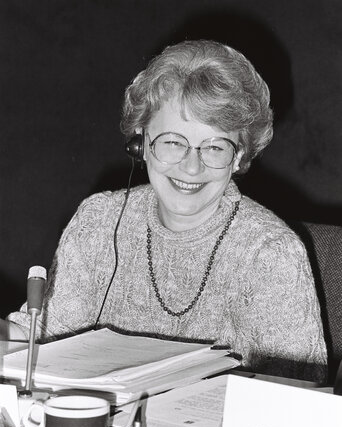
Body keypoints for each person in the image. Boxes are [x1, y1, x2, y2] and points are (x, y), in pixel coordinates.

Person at [0, 40, 327, 382]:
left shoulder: (269, 253)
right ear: (140, 143)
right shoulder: (98, 222)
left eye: (215, 147)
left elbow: (298, 396)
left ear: (239, 156)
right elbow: (43, 335)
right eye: (173, 142)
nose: (190, 167)